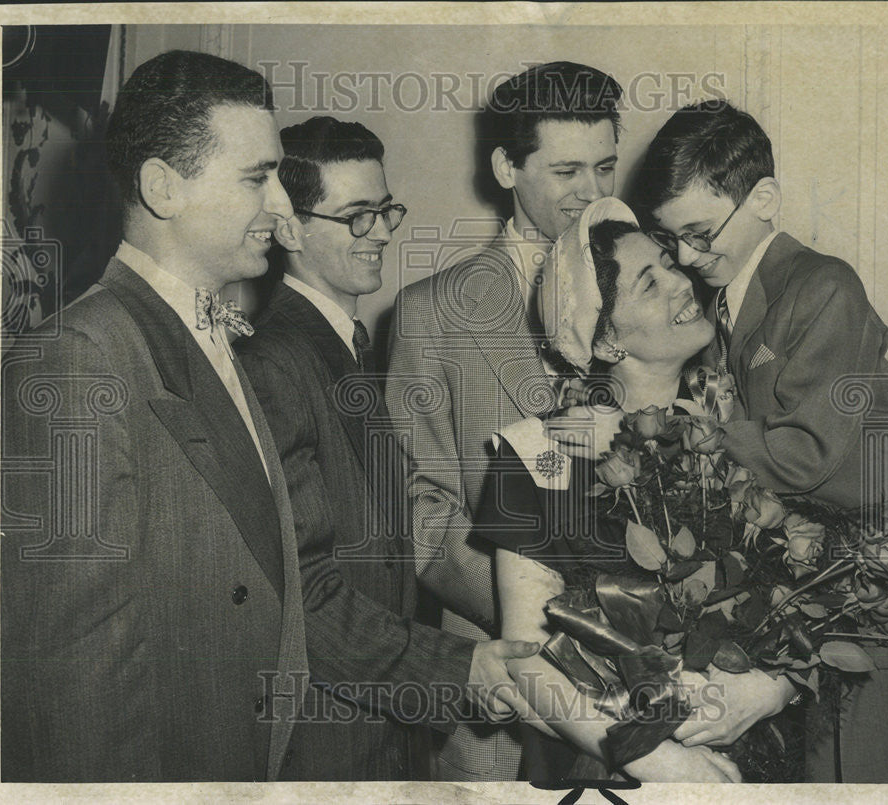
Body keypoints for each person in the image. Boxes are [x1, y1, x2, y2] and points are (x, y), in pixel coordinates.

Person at [0, 49, 307, 781]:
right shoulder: (77, 357)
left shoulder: (212, 332)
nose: (284, 207)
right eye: (257, 178)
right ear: (163, 188)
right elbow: (73, 678)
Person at [633, 100, 888, 783]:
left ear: (765, 198)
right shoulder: (734, 299)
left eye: (699, 233)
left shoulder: (822, 285)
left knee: (880, 764)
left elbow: (810, 457)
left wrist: (679, 437)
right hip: (843, 566)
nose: (689, 258)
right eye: (674, 243)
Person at [233, 116, 540, 780]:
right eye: (356, 217)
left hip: (378, 726)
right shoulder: (275, 358)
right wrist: (456, 667)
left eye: (385, 210)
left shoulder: (341, 344)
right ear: (289, 227)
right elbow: (302, 596)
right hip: (330, 740)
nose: (381, 233)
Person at [386, 61, 623, 780]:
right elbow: (421, 514)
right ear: (505, 167)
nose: (594, 193)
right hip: (499, 697)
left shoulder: (652, 292)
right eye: (568, 171)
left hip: (638, 697)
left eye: (606, 168)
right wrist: (542, 617)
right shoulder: (429, 313)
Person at [474, 196, 742, 783]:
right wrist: (661, 762)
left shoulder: (732, 432)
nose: (681, 282)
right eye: (651, 283)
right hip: (601, 767)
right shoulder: (536, 455)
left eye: (670, 264)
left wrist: (768, 692)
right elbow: (525, 658)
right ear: (606, 343)